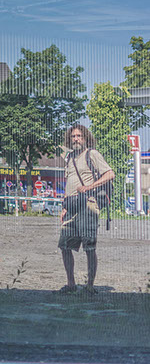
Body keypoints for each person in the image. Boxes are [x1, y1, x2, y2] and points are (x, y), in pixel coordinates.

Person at [58, 125, 115, 294]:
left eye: (79, 136)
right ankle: (71, 285)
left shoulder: (92, 154)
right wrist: (64, 207)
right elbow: (69, 182)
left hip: (88, 204)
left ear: (85, 138)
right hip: (71, 206)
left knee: (89, 247)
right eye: (73, 136)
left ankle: (90, 286)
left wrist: (90, 187)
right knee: (65, 245)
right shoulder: (69, 157)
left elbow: (110, 174)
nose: (76, 139)